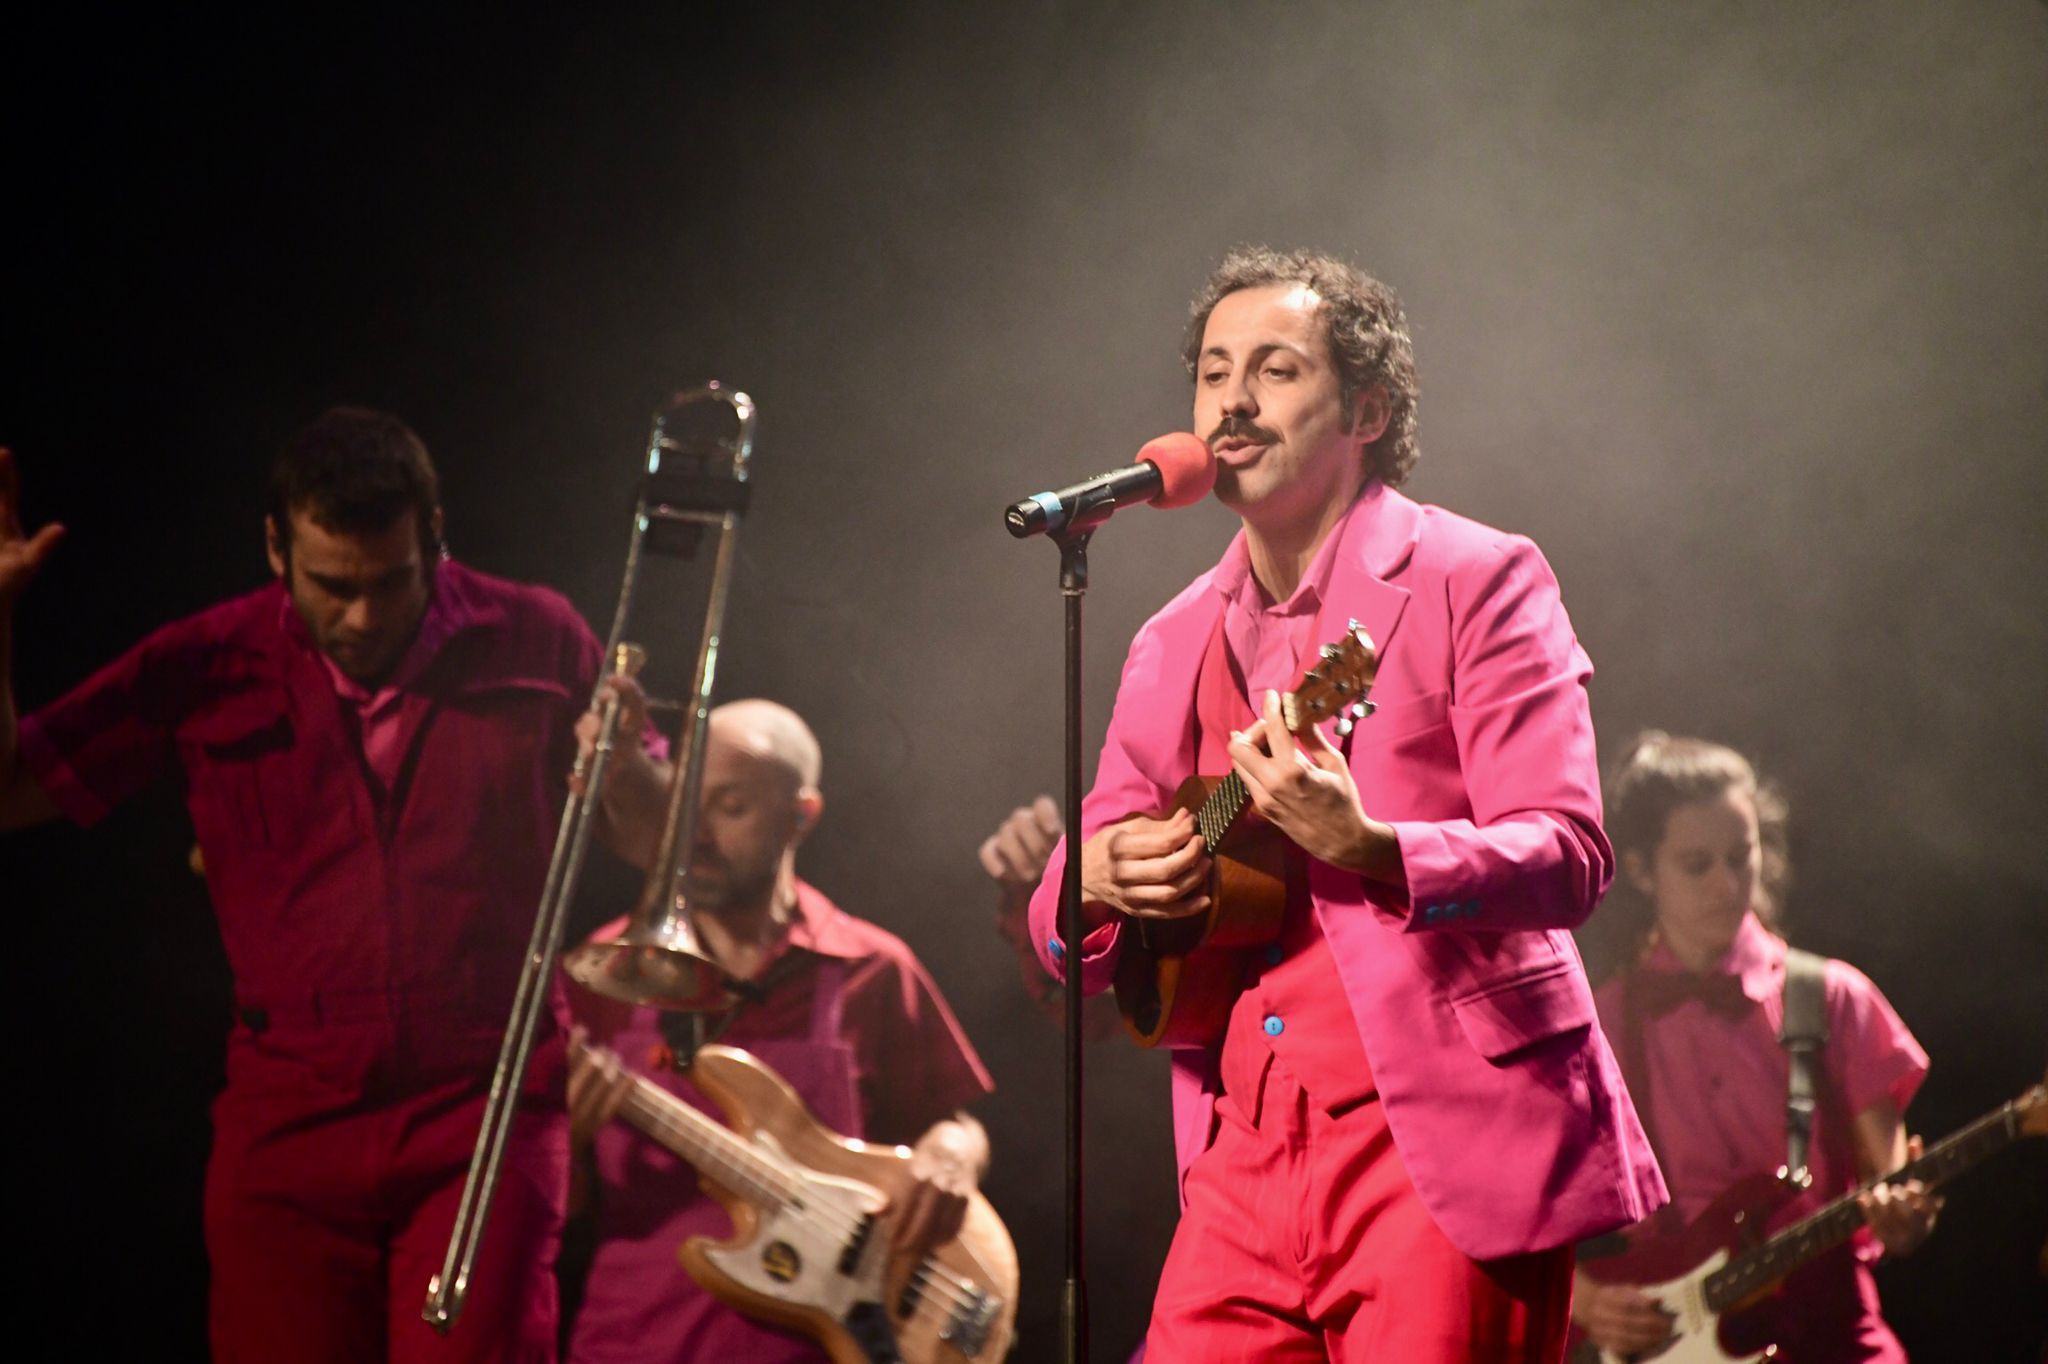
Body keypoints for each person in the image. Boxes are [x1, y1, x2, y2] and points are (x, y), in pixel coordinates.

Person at [1025, 245, 1667, 1360]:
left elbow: (1567, 855)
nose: (1230, 399)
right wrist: (1084, 879)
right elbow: (1081, 876)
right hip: (1241, 1149)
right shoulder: (1168, 636)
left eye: (1272, 369)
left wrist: (1374, 846)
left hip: (1445, 1133)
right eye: (1213, 371)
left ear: (1365, 408)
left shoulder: (1479, 575)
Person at [0, 411, 654, 1363]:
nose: (363, 616)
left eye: (391, 583)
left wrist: (627, 762)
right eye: (332, 585)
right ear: (276, 548)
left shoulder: (538, 635)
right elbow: (12, 790)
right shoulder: (205, 661)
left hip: (483, 1103)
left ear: (437, 540)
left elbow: (644, 839)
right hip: (290, 1115)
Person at [563, 697, 994, 1364]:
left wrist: (952, 1158)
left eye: (731, 807)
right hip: (637, 1343)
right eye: (687, 805)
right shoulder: (605, 968)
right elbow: (555, 1211)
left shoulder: (872, 966)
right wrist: (570, 1136)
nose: (696, 834)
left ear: (802, 815)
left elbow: (953, 1124)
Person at [1571, 732, 1939, 1362]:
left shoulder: (1832, 996)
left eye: (1741, 856)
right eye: (1698, 864)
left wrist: (1907, 1216)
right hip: (1673, 1339)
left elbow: (1895, 1187)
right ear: (1638, 869)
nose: (1726, 883)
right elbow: (1524, 1205)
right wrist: (1583, 1301)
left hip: (1832, 1333)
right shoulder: (1595, 1027)